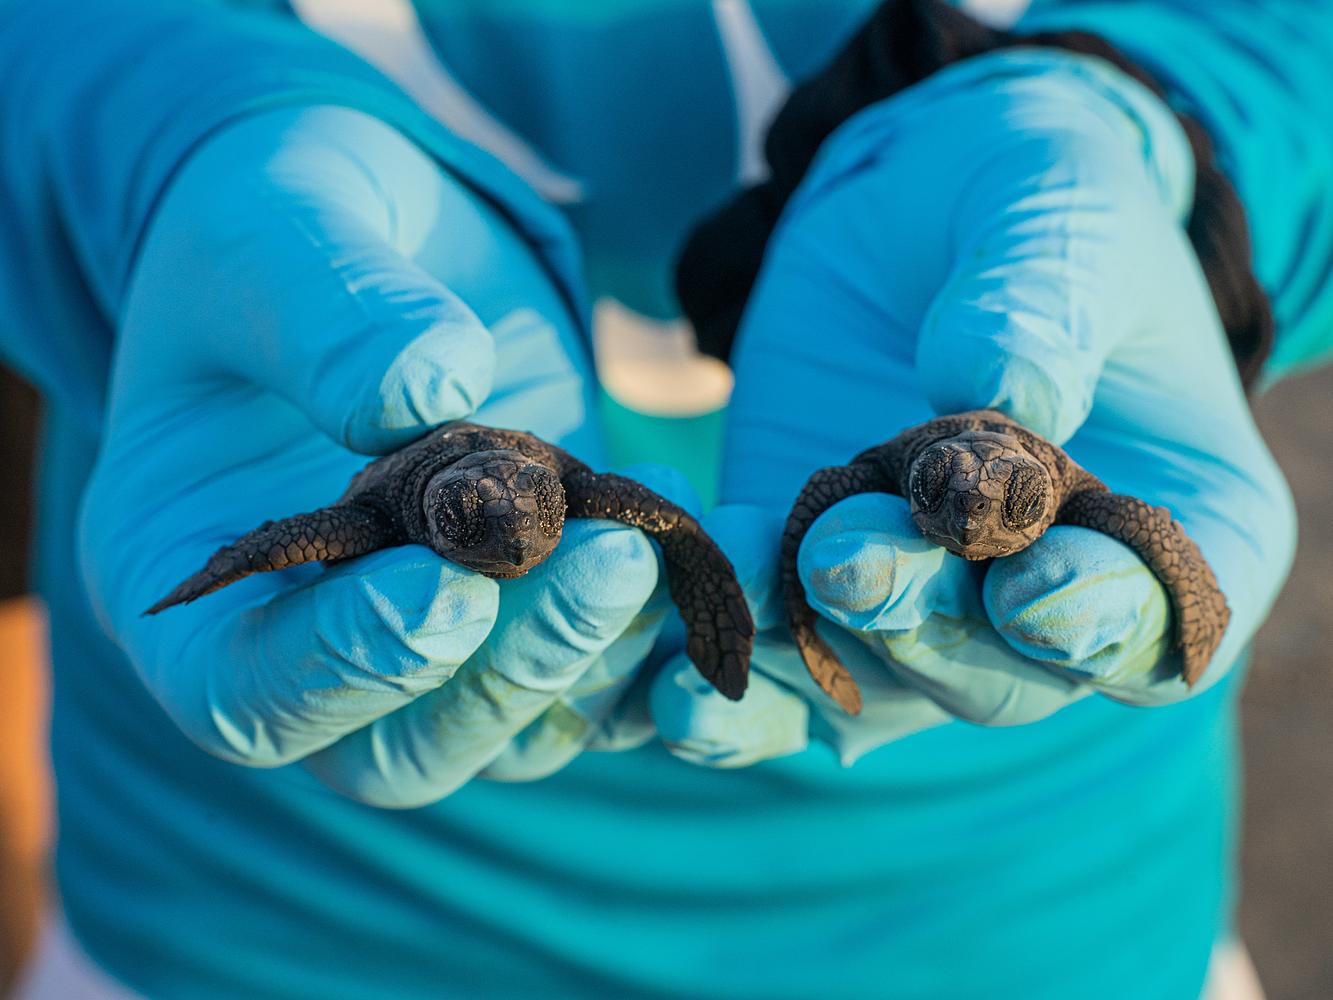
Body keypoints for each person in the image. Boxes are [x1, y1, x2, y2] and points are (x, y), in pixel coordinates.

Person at [1, 0, 1329, 996]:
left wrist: (1165, 140)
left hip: (1043, 927)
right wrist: (154, 137)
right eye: (491, 525)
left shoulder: (910, 480)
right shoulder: (521, 496)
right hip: (259, 930)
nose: (513, 532)